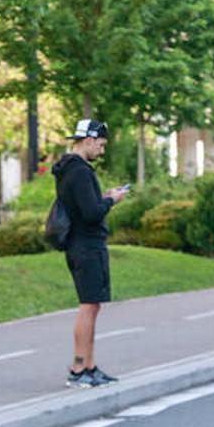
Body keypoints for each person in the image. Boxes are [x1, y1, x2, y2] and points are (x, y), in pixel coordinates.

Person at [52, 118, 128, 387]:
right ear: (89, 141)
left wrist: (102, 198)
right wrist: (111, 200)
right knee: (88, 305)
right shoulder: (80, 172)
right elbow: (92, 212)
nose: (103, 151)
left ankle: (90, 366)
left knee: (92, 304)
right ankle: (79, 368)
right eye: (101, 145)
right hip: (86, 245)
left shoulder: (68, 170)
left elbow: (85, 206)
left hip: (80, 243)